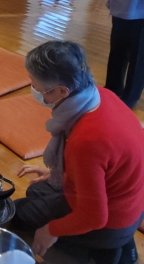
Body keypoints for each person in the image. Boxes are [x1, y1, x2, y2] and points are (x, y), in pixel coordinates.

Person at [14, 41, 144, 263]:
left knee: (18, 214)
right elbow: (110, 168)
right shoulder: (101, 95)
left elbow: (94, 216)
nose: (33, 87)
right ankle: (113, 248)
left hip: (111, 222)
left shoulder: (87, 141)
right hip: (131, 204)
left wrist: (50, 230)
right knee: (37, 190)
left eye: (35, 84)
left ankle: (100, 250)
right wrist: (61, 173)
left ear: (61, 91)